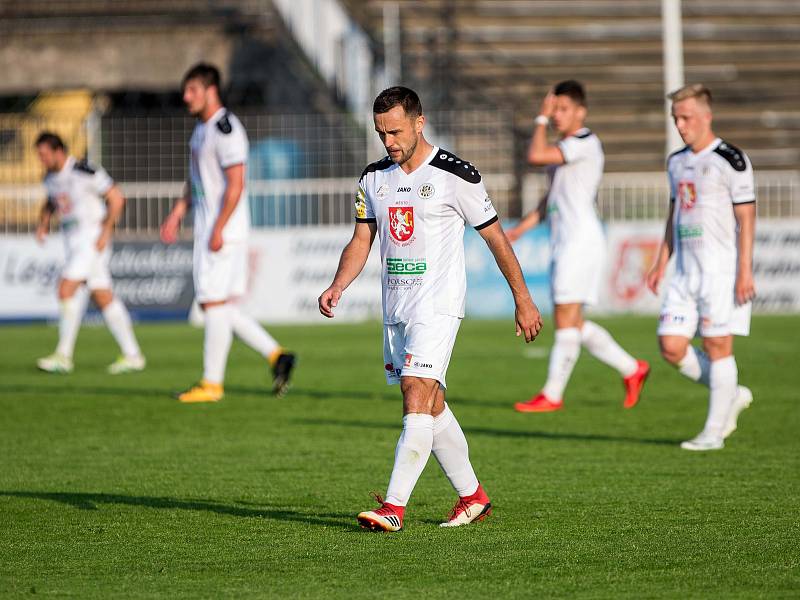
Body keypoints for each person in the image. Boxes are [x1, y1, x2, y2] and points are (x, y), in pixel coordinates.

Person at [318, 86, 543, 532]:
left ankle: (393, 507)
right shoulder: (372, 179)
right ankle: (473, 497)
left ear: (420, 123)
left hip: (438, 305)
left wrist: (523, 298)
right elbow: (362, 239)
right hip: (396, 309)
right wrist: (338, 283)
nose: (389, 142)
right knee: (433, 404)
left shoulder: (454, 174)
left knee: (415, 393)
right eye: (381, 133)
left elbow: (496, 237)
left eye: (396, 131)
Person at [506, 80, 649, 413]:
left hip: (581, 240)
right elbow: (551, 197)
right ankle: (633, 369)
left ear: (581, 112)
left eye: (562, 109)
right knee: (571, 322)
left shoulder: (585, 142)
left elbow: (535, 155)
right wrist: (523, 229)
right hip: (564, 240)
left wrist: (539, 119)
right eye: (553, 109)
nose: (556, 115)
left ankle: (552, 394)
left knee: (567, 319)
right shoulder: (564, 149)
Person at [160, 63, 295, 403]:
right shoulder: (201, 129)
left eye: (192, 90)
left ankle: (212, 384)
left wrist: (218, 228)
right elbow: (198, 179)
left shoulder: (226, 129)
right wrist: (179, 211)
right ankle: (277, 355)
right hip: (212, 228)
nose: (185, 96)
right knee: (219, 308)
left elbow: (236, 184)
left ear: (210, 90)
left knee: (213, 303)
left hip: (223, 230)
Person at [646, 83, 755, 451]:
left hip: (720, 270)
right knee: (671, 346)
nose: (680, 124)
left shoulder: (731, 159)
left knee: (717, 344)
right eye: (676, 117)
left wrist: (745, 270)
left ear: (707, 116)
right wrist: (662, 261)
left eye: (686, 117)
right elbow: (675, 212)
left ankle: (712, 432)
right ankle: (732, 393)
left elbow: (747, 217)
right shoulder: (676, 161)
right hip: (684, 272)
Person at [34, 132, 146, 374]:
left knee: (65, 289)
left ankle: (63, 355)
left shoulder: (83, 171)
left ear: (58, 151)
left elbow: (116, 197)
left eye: (43, 154)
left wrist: (106, 231)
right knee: (102, 296)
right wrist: (44, 223)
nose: (40, 160)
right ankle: (133, 355)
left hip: (91, 240)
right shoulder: (50, 178)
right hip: (72, 242)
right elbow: (52, 201)